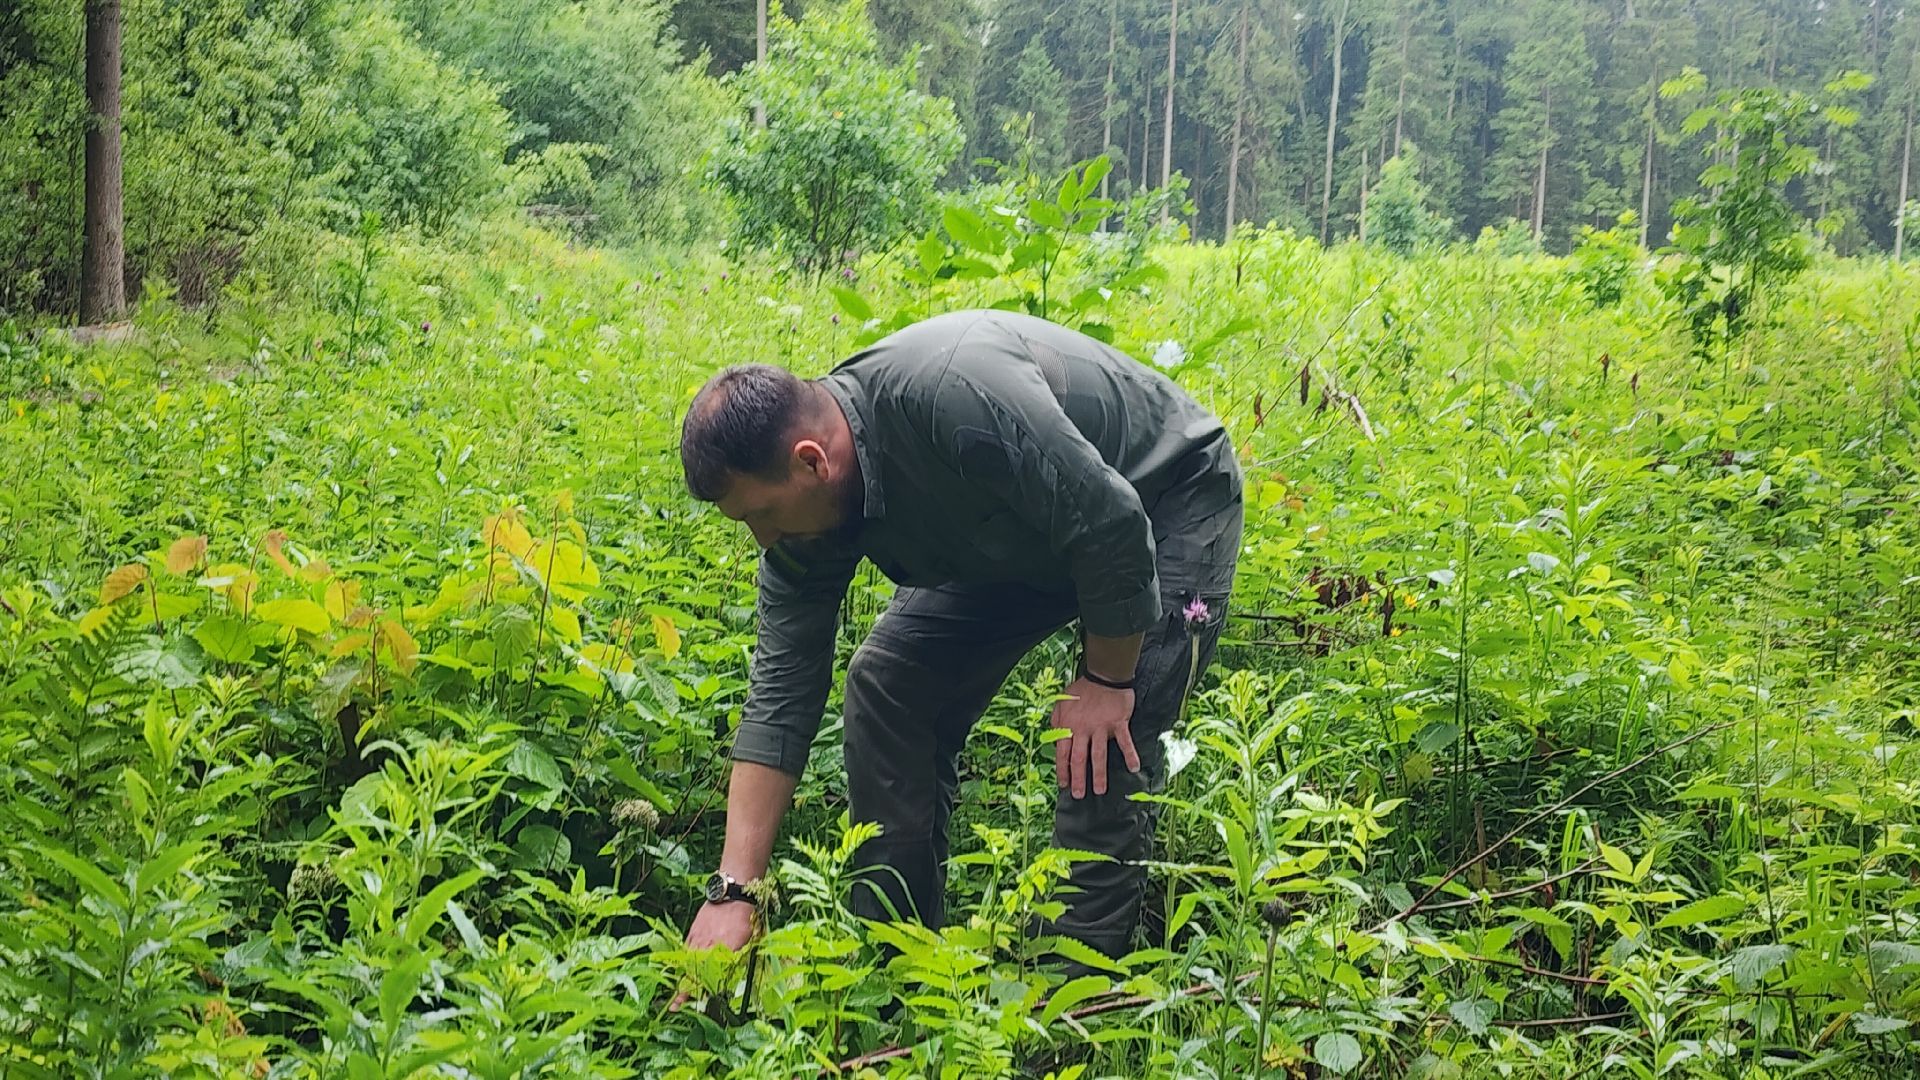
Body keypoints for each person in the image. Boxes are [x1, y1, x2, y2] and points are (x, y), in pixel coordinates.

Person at [673, 308, 1243, 969]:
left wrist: (1107, 681)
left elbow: (1110, 524)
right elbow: (780, 692)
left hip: (1161, 495)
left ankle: (1065, 1008)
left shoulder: (953, 399)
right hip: (1019, 531)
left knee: (1100, 744)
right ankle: (901, 966)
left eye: (762, 514)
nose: (762, 539)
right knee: (889, 684)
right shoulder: (809, 512)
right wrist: (734, 889)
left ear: (810, 461)